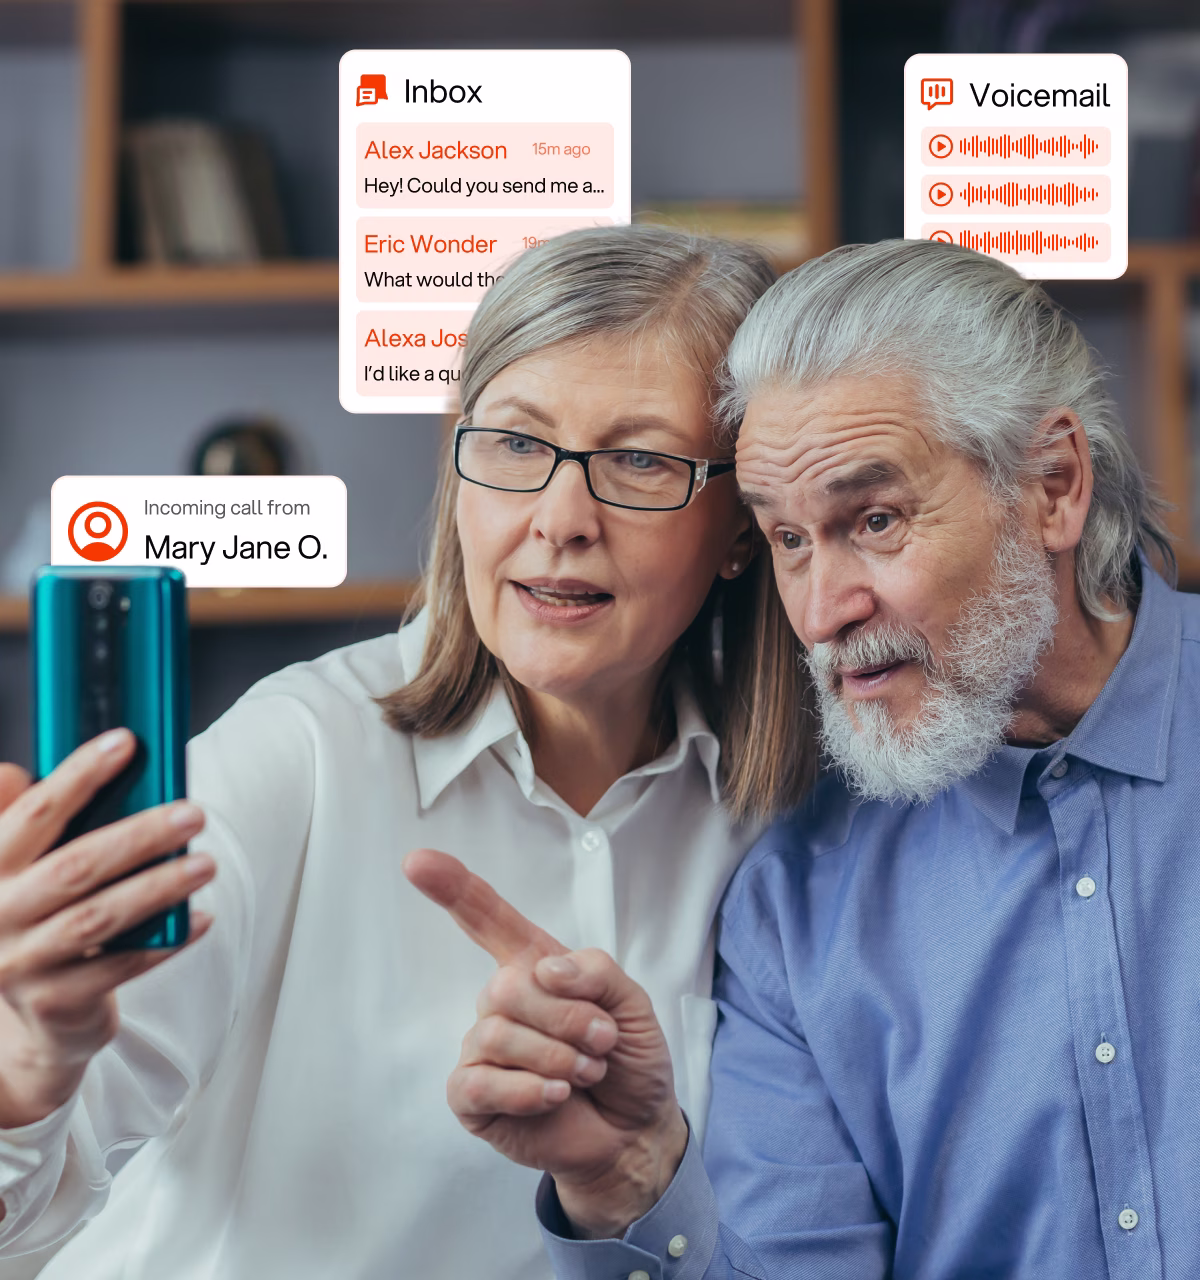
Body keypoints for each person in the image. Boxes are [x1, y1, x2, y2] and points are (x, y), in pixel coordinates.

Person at [0, 225, 815, 1279]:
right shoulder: (294, 756)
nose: (560, 519)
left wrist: (638, 1177)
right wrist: (27, 1062)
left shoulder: (781, 826)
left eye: (641, 460)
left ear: (743, 524)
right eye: (517, 443)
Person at [408, 238, 1200, 1279]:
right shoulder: (793, 905)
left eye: (874, 519)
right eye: (787, 539)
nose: (822, 612)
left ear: (1052, 486)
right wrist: (633, 1175)